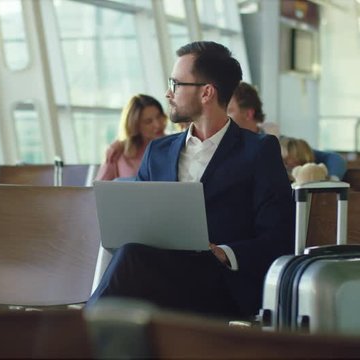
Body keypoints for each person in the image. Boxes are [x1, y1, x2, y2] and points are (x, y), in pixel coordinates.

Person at [88, 41, 294, 319]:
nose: (167, 93)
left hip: (221, 286)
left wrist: (224, 252)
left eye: (175, 84)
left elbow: (279, 237)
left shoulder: (258, 151)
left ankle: (74, 335)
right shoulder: (158, 152)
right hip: (158, 275)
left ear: (207, 92)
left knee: (131, 259)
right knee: (129, 255)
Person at [227, 81, 347, 180]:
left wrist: (333, 180)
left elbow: (334, 158)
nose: (223, 116)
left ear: (248, 113)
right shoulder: (221, 143)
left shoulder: (282, 145)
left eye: (229, 111)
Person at [96, 94, 167, 181]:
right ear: (135, 125)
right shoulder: (118, 152)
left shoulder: (175, 146)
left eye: (159, 116)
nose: (158, 125)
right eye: (148, 121)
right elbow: (100, 188)